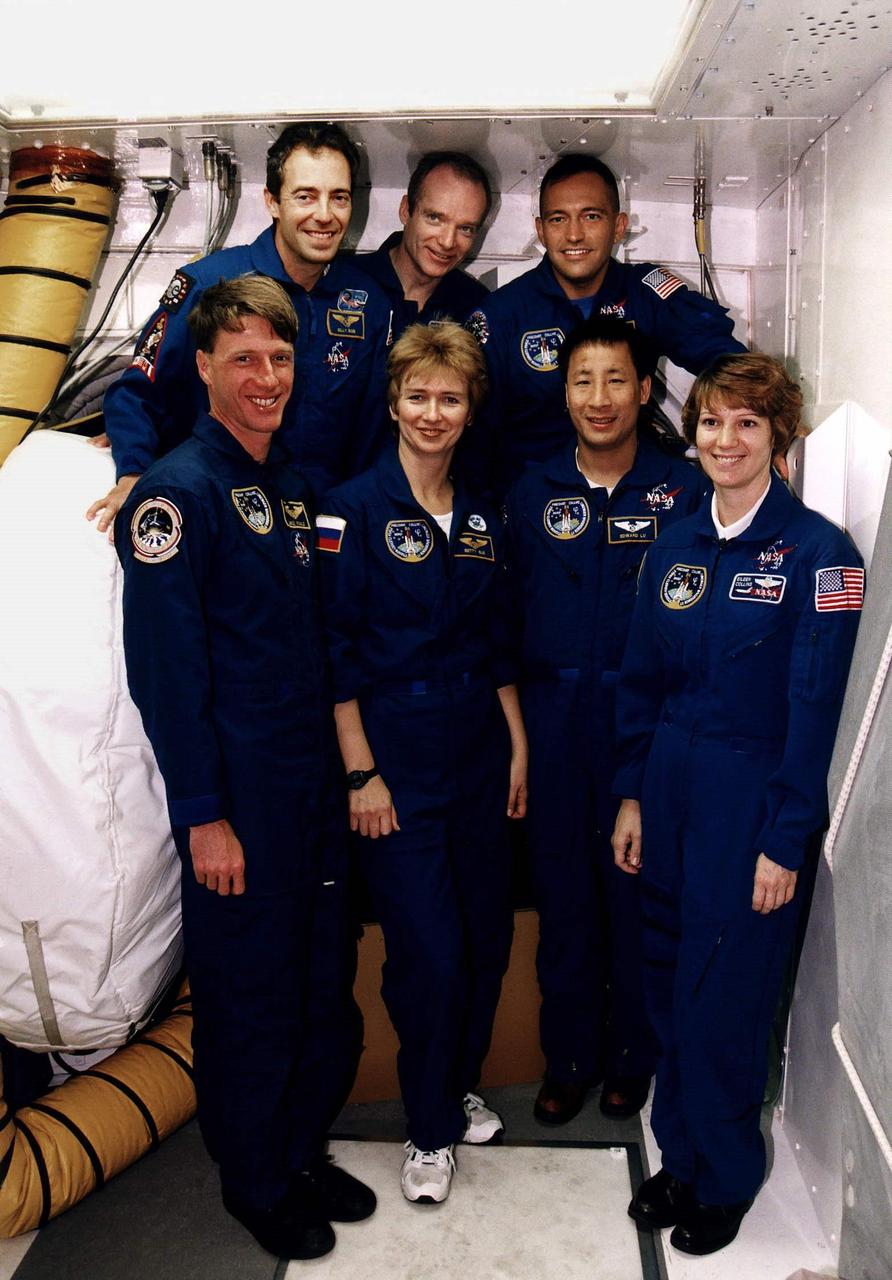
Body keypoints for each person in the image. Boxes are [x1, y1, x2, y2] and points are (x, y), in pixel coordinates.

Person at [115, 277, 372, 1261]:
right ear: (205, 367)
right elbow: (166, 678)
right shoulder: (178, 495)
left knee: (316, 982)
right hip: (241, 799)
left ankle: (298, 1149)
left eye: (279, 356)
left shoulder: (292, 487)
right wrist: (204, 814)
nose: (266, 376)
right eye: (244, 359)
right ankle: (254, 1178)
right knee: (249, 994)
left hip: (308, 789)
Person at [611, 353, 863, 1256]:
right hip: (670, 785)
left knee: (726, 1001)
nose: (725, 440)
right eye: (713, 421)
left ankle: (723, 1177)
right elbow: (640, 681)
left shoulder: (821, 556)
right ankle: (677, 1157)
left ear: (778, 437)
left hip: (750, 799)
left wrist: (785, 838)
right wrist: (631, 796)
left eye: (747, 424)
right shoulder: (677, 540)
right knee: (669, 985)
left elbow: (815, 710)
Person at [317, 322, 527, 1204]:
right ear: (394, 403)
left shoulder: (482, 516)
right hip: (395, 762)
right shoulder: (351, 508)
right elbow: (331, 652)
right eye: (418, 396)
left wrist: (517, 745)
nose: (433, 413)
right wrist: (361, 774)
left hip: (478, 749)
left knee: (483, 940)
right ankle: (428, 1130)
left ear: (469, 407)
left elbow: (498, 640)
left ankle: (455, 1083)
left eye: (450, 397)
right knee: (428, 954)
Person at [505, 316, 705, 1127]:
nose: (599, 397)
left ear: (646, 390)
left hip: (644, 719)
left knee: (636, 895)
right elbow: (503, 616)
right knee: (563, 898)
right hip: (554, 717)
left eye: (616, 379)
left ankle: (632, 1056)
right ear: (564, 390)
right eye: (583, 380)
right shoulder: (529, 489)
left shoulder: (683, 492)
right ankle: (569, 1058)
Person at [92, 122, 392, 528]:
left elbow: (374, 429)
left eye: (338, 197)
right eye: (305, 196)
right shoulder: (208, 284)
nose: (324, 215)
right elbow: (136, 393)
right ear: (272, 201)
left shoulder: (367, 302)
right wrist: (133, 471)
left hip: (323, 523)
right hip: (223, 516)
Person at [465, 153, 746, 493]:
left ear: (618, 226)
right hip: (535, 505)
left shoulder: (645, 294)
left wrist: (777, 422)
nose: (574, 235)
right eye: (558, 219)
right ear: (540, 230)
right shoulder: (502, 314)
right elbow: (472, 434)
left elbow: (728, 361)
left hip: (634, 496)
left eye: (591, 216)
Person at [361, 151, 491, 340]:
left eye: (465, 228)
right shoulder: (344, 281)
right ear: (406, 211)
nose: (447, 242)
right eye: (435, 218)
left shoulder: (476, 307)